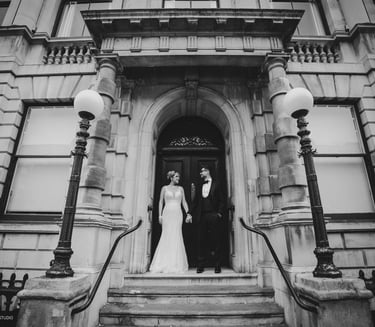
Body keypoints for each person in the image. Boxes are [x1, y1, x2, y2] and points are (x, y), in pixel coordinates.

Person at [149, 171, 192, 273]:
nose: (178, 178)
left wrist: (188, 213)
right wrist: (160, 215)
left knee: (177, 235)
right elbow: (160, 202)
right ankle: (163, 262)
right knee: (166, 235)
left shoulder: (180, 189)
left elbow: (184, 202)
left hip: (177, 213)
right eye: (177, 176)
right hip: (167, 213)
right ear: (171, 177)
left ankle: (176, 263)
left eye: (179, 176)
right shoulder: (164, 188)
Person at [188, 165, 225, 274]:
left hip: (213, 215)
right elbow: (195, 202)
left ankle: (217, 265)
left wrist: (219, 214)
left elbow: (222, 200)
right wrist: (190, 212)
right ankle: (200, 265)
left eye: (202, 171)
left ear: (208, 171)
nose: (200, 173)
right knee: (201, 240)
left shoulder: (217, 184)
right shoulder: (200, 185)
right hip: (201, 216)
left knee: (216, 240)